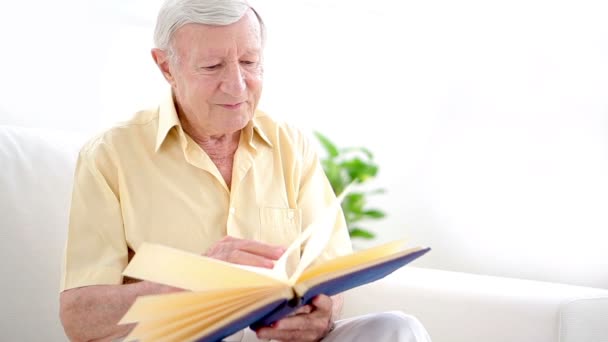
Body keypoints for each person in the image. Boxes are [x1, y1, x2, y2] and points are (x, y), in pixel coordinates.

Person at [59, 1, 432, 341]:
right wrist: (198, 279)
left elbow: (331, 279)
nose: (237, 84)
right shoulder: (110, 156)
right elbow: (79, 318)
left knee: (398, 328)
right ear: (166, 67)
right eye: (212, 66)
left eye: (250, 62)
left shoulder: (291, 146)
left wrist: (320, 314)